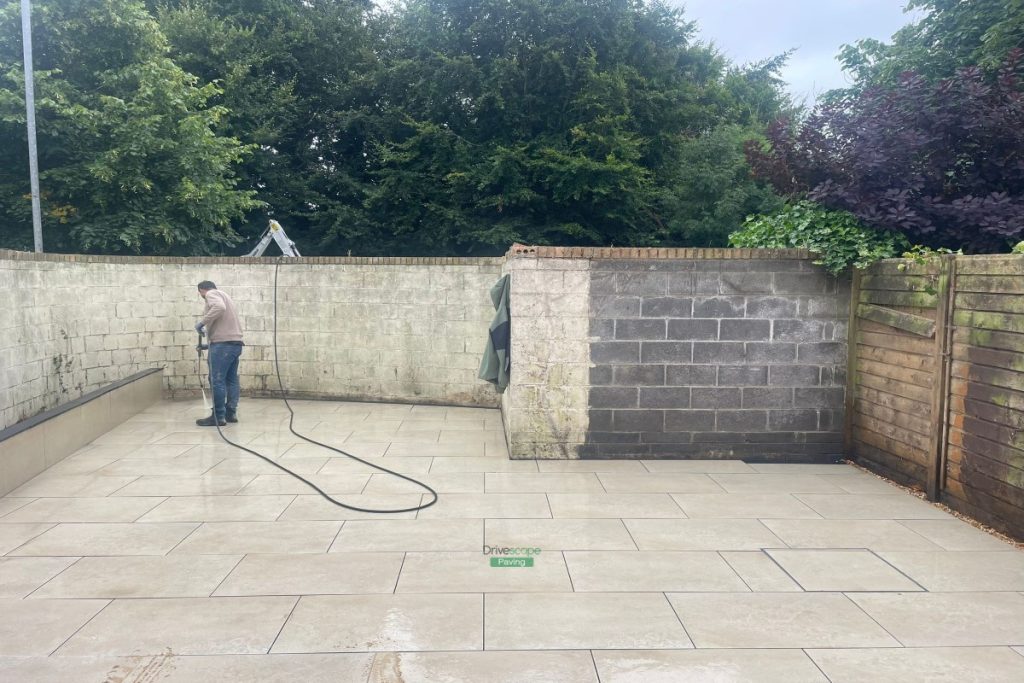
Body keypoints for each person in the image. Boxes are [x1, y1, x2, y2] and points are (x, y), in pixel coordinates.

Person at [194, 280, 243, 426]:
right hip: (235, 344)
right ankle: (230, 413)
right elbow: (225, 328)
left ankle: (218, 416)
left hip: (223, 346)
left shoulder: (211, 294)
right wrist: (207, 346)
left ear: (202, 290)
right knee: (231, 380)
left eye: (200, 293)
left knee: (217, 379)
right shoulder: (225, 296)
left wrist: (201, 323)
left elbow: (219, 308)